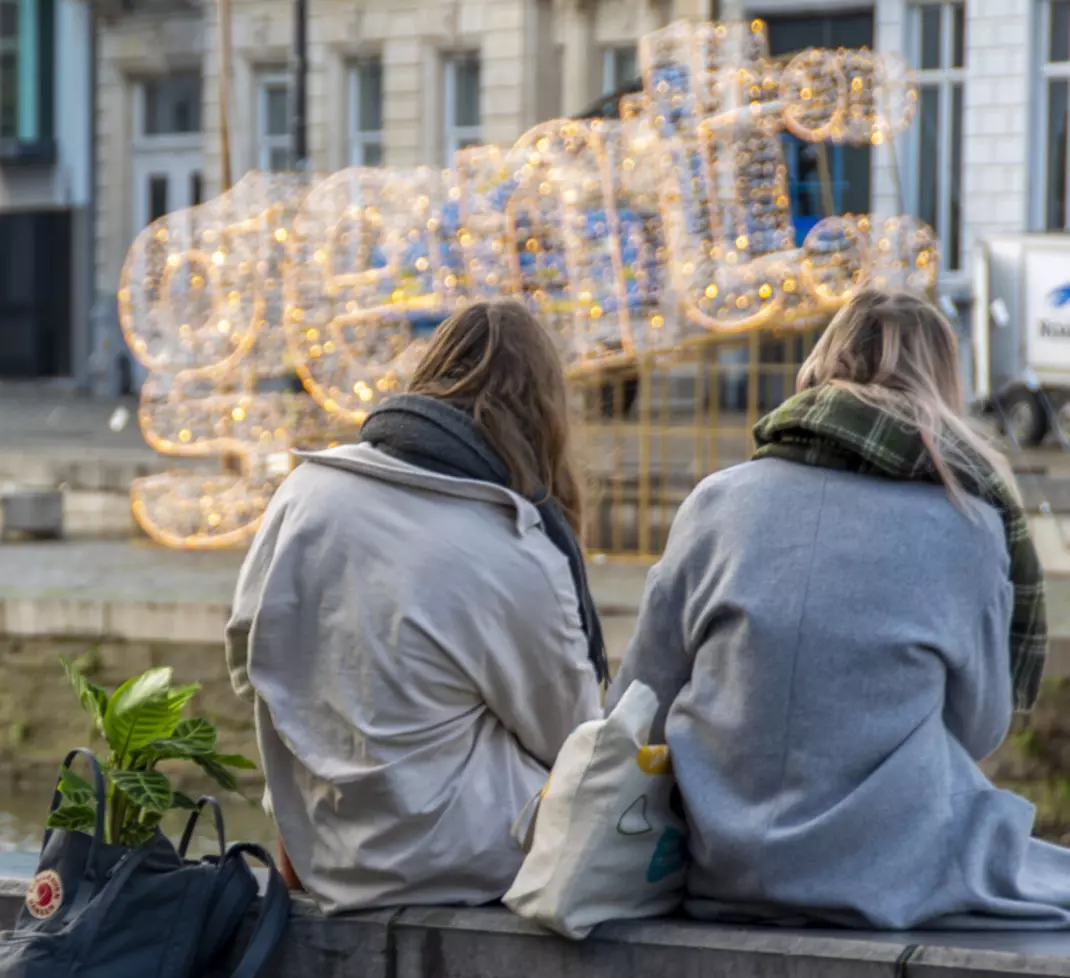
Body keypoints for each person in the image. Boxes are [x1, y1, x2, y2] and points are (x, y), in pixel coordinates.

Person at [608, 288, 1070, 930]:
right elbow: (979, 726)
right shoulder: (969, 522)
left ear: (825, 365)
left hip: (717, 861)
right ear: (942, 384)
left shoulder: (718, 502)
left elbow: (636, 702)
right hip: (886, 868)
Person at [226, 300, 605, 913]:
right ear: (547, 418)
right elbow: (571, 738)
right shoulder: (514, 546)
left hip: (321, 846)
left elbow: (251, 664)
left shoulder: (305, 491)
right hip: (465, 863)